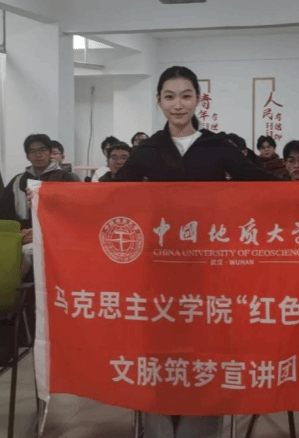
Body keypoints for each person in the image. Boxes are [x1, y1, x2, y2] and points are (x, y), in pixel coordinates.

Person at [116, 65, 278, 438]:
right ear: (158, 101)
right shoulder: (147, 151)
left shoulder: (217, 147)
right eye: (169, 96)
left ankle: (201, 426)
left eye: (186, 96)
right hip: (158, 268)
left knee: (206, 348)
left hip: (209, 267)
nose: (178, 105)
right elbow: (109, 195)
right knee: (160, 349)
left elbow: (266, 185)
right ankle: (158, 426)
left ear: (199, 100)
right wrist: (47, 196)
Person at [0, 134, 76, 277]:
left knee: (30, 252)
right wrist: (19, 231)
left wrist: (39, 232)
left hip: (55, 237)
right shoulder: (18, 180)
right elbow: (3, 213)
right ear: (27, 156)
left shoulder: (65, 179)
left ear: (49, 152)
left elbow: (72, 215)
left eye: (42, 150)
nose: (38, 155)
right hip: (23, 235)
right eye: (32, 151)